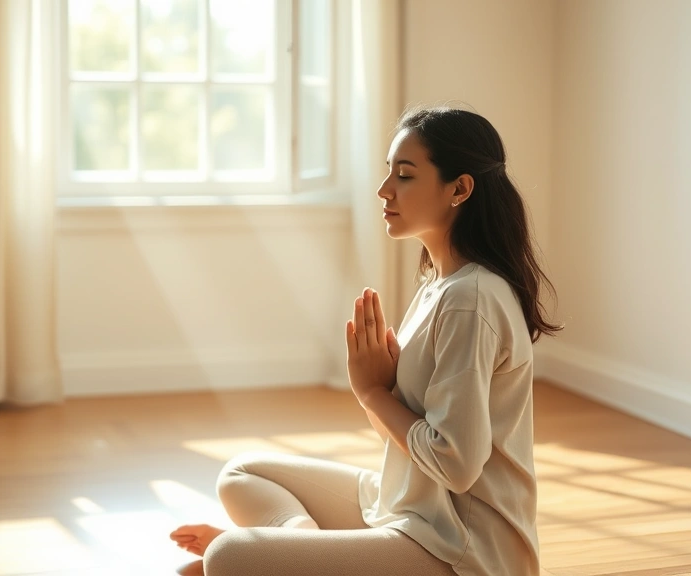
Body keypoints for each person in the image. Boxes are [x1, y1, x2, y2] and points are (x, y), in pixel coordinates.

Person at [170, 106, 561, 576]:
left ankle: (281, 560)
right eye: (388, 172)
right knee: (242, 474)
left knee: (228, 556)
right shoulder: (440, 286)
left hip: (461, 550)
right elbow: (407, 442)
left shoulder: (470, 298)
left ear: (458, 188)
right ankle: (295, 551)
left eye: (405, 175)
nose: (384, 190)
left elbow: (456, 465)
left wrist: (373, 392)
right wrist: (383, 393)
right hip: (407, 506)